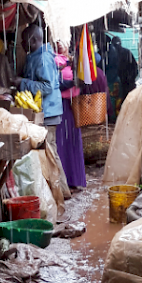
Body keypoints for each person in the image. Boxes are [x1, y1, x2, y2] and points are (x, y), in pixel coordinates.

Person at [13, 25, 71, 199]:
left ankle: (62, 191)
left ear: (32, 40)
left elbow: (46, 87)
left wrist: (22, 82)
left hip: (49, 112)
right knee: (49, 153)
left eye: (24, 42)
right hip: (45, 111)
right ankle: (59, 191)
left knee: (51, 153)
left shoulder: (44, 58)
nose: (22, 45)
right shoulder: (37, 56)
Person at [54, 42, 86, 189]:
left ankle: (75, 179)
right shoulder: (54, 60)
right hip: (60, 106)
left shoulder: (73, 61)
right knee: (61, 142)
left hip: (73, 106)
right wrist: (69, 83)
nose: (61, 45)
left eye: (64, 42)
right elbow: (55, 82)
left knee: (72, 141)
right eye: (58, 42)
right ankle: (64, 181)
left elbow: (82, 80)